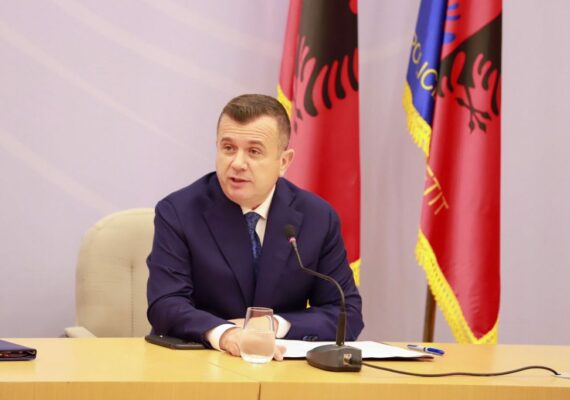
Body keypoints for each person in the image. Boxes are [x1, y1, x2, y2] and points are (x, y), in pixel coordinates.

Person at [146, 94, 363, 359]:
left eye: (254, 151)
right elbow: (165, 303)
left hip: (282, 368)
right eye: (228, 148)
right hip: (200, 363)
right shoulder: (178, 212)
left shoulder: (317, 217)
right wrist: (227, 334)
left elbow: (345, 312)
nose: (237, 163)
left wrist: (272, 326)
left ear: (284, 162)